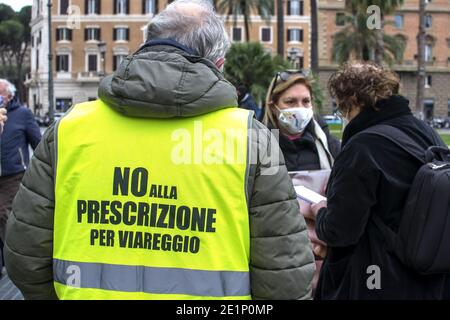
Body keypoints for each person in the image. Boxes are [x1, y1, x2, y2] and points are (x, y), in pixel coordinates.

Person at [5, 0, 315, 300]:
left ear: (146, 44)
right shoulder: (254, 139)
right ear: (219, 65)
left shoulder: (69, 129)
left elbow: (25, 255)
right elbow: (284, 274)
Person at [310, 62, 450, 299]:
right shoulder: (425, 131)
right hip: (431, 278)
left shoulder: (361, 148)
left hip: (376, 279)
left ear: (352, 102)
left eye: (341, 107)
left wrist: (320, 211)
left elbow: (340, 231)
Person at [0, 79, 41, 277]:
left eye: (0, 95)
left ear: (9, 96)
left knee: (5, 215)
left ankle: (14, 261)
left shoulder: (22, 114)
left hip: (13, 175)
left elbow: (38, 143)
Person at [263, 71, 341, 172]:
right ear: (273, 107)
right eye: (290, 102)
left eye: (306, 101)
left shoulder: (327, 143)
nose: (300, 108)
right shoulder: (257, 146)